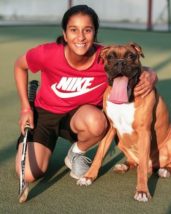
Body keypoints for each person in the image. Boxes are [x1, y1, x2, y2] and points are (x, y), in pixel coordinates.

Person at [14, 5, 157, 183]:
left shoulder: (105, 58)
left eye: (87, 30)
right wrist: (25, 108)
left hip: (80, 117)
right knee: (28, 174)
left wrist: (152, 74)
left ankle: (76, 153)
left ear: (94, 33)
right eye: (73, 30)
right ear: (65, 34)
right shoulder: (47, 53)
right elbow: (20, 66)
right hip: (45, 114)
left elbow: (131, 64)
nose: (80, 37)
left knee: (98, 122)